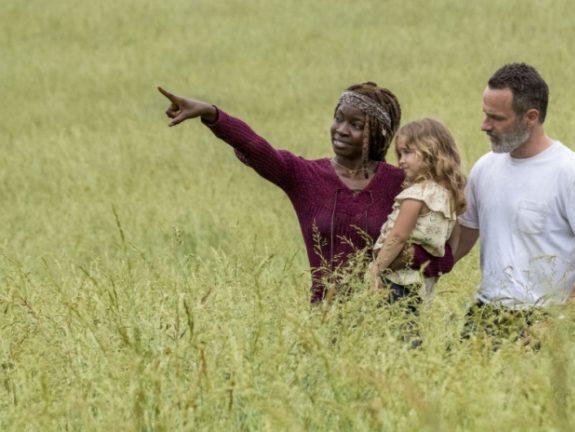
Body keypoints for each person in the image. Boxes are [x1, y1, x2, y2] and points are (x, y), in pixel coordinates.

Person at [158, 83, 454, 303]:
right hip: (324, 318)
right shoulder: (305, 176)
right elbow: (257, 148)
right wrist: (212, 114)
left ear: (377, 134)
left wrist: (405, 256)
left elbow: (443, 256)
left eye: (356, 125)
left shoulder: (403, 184)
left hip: (390, 317)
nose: (341, 129)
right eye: (339, 118)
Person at [454, 63, 575, 341]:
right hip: (484, 313)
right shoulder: (484, 168)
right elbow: (461, 242)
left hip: (543, 318)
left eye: (496, 118)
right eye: (485, 114)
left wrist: (562, 321)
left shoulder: (568, 172)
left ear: (530, 117)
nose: (484, 126)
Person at [368, 118, 466, 307]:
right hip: (423, 283)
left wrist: (376, 272)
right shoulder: (447, 196)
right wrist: (442, 264)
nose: (401, 161)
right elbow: (455, 236)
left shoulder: (417, 195)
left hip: (396, 280)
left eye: (407, 152)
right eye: (400, 154)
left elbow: (398, 236)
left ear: (431, 151)